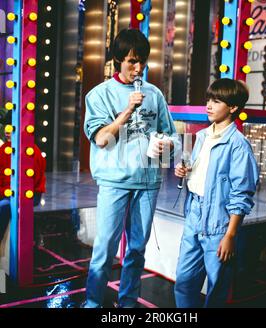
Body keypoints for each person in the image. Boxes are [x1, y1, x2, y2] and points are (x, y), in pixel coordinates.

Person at [83, 28, 179, 308]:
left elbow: (170, 134)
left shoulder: (154, 94)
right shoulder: (99, 94)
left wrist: (167, 146)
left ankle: (127, 303)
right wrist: (126, 111)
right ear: (117, 60)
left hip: (148, 182)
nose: (138, 68)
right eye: (131, 61)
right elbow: (101, 139)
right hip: (114, 181)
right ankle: (92, 302)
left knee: (136, 249)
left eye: (142, 62)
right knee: (104, 249)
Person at [174, 78, 259, 308]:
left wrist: (230, 235)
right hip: (194, 213)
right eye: (208, 100)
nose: (209, 105)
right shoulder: (202, 136)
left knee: (217, 289)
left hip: (219, 223)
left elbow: (242, 194)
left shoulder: (239, 145)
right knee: (183, 281)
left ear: (232, 107)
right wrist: (184, 170)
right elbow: (200, 171)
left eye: (216, 101)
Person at [0, 111, 46, 242]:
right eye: (6, 127)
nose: (7, 131)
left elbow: (31, 184)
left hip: (27, 194)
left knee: (4, 206)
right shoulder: (4, 149)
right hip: (10, 192)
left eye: (10, 126)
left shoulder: (32, 151)